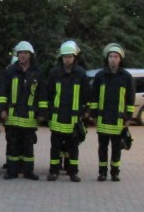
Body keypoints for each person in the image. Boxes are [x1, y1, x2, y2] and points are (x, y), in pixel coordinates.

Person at [0, 41, 46, 180]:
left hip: (30, 117)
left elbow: (42, 94)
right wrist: (2, 110)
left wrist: (43, 112)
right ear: (17, 55)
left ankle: (28, 172)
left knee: (28, 147)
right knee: (13, 146)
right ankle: (12, 172)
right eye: (20, 53)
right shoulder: (9, 72)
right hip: (13, 116)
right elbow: (3, 92)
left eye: (25, 53)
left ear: (30, 55)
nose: (23, 56)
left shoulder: (37, 73)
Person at [90, 43, 135, 182]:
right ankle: (102, 173)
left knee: (116, 148)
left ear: (120, 59)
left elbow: (130, 98)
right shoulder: (100, 76)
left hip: (118, 119)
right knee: (102, 148)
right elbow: (94, 97)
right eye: (111, 56)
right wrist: (94, 115)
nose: (113, 59)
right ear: (107, 58)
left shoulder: (126, 77)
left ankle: (115, 173)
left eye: (116, 56)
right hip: (103, 119)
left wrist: (128, 118)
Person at [45, 41, 89, 182]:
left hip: (74, 118)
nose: (67, 59)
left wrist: (86, 111)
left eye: (70, 57)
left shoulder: (81, 74)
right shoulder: (54, 73)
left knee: (73, 148)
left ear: (74, 57)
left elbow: (86, 94)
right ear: (61, 58)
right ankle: (54, 172)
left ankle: (73, 173)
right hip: (57, 117)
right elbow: (49, 94)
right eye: (65, 57)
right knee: (55, 148)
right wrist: (48, 112)